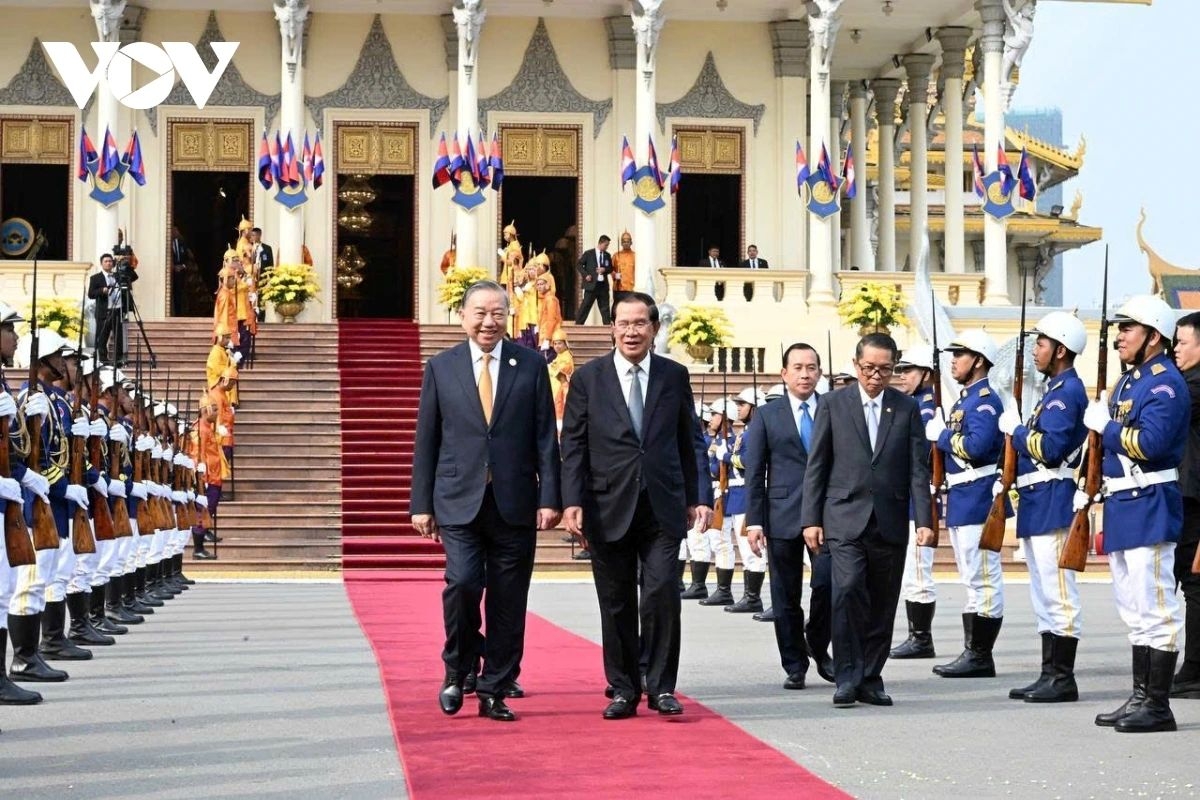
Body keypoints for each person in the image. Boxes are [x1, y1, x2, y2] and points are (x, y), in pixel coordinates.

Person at [411, 280, 561, 723]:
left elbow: (545, 437)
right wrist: (421, 503)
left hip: (515, 500)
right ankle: (458, 668)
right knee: (462, 584)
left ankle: (495, 686)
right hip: (458, 500)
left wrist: (550, 497)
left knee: (508, 599)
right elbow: (427, 440)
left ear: (508, 316)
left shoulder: (530, 365)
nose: (488, 322)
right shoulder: (442, 367)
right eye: (479, 313)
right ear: (462, 316)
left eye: (497, 313)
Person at [561, 291, 712, 719]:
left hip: (663, 504)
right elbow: (573, 444)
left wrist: (700, 495)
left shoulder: (673, 375)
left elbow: (690, 439)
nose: (631, 332)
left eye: (640, 323)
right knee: (616, 600)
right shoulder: (588, 378)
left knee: (662, 594)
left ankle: (661, 686)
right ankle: (624, 687)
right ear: (612, 328)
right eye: (624, 323)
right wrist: (571, 500)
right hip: (606, 504)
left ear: (654, 328)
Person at [801, 333, 932, 708]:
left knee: (882, 601)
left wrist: (925, 518)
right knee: (846, 591)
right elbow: (817, 465)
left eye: (885, 369)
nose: (876, 376)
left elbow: (917, 469)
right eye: (869, 368)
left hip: (889, 518)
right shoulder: (833, 404)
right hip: (843, 517)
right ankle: (846, 677)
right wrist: (811, 518)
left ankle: (870, 677)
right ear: (856, 365)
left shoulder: (905, 408)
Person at [1088, 295, 1187, 733]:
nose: (1120, 336)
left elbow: (1150, 443)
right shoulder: (1130, 382)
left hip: (1150, 503)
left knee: (1156, 607)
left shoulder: (1165, 383)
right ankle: (1141, 696)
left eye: (1128, 328)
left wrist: (1106, 427)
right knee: (1133, 609)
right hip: (1124, 504)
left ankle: (1158, 706)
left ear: (1154, 336)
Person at [996, 312, 1089, 703]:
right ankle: (1049, 673)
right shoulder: (1054, 391)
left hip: (1053, 498)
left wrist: (1017, 431)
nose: (1035, 350)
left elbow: (1049, 449)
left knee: (1059, 593)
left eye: (1042, 343)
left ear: (1061, 350)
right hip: (1038, 500)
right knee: (1043, 593)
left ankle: (1063, 677)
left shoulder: (1067, 392)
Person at [745, 343, 834, 690]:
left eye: (811, 368)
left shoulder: (833, 408)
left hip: (826, 515)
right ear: (784, 374)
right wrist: (754, 521)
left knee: (829, 583)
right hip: (781, 513)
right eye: (797, 368)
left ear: (820, 373)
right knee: (785, 595)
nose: (805, 374)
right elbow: (755, 471)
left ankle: (817, 640)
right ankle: (794, 664)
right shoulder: (768, 415)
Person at [926, 329, 1009, 679]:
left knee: (984, 578)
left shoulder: (985, 401)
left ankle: (980, 655)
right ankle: (973, 651)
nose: (953, 361)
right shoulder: (965, 400)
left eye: (959, 355)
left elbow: (975, 447)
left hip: (978, 496)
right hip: (962, 496)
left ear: (977, 360)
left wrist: (943, 436)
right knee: (972, 579)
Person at [889, 344, 940, 660]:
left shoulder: (927, 409)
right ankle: (916, 635)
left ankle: (921, 638)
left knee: (919, 571)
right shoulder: (913, 406)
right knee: (912, 570)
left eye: (909, 370)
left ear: (926, 374)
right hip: (906, 497)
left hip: (919, 499)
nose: (903, 376)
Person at [1172, 311, 1200, 699]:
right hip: (1187, 494)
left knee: (1194, 583)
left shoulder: (1193, 386)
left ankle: (1194, 668)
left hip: (1194, 497)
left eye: (1182, 342)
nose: (1175, 349)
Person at [726, 388, 770, 614]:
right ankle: (750, 596)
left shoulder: (755, 433)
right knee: (745, 549)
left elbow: (749, 461)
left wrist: (728, 457)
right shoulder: (747, 432)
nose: (739, 408)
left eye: (743, 405)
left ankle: (753, 597)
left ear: (754, 408)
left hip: (748, 493)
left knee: (753, 550)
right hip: (738, 494)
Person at [696, 397, 740, 607]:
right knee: (716, 541)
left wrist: (722, 457)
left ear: (724, 417)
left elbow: (715, 470)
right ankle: (721, 589)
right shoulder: (719, 441)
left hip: (727, 494)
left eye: (715, 414)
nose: (711, 418)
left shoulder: (730, 441)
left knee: (722, 542)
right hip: (718, 493)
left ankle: (725, 590)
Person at [89, 253, 138, 366]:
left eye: (110, 261)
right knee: (102, 336)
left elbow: (134, 277)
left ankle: (118, 360)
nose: (108, 263)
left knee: (118, 337)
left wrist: (125, 264)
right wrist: (102, 290)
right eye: (106, 261)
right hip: (104, 311)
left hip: (118, 310)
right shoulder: (95, 278)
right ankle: (103, 359)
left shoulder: (118, 275)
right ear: (101, 264)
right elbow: (91, 294)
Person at [575, 235, 613, 325]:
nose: (607, 247)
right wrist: (585, 275)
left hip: (603, 285)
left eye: (607, 245)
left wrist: (604, 269)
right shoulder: (589, 253)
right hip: (591, 284)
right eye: (606, 245)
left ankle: (607, 326)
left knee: (605, 307)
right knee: (586, 305)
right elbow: (579, 265)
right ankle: (578, 324)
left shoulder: (607, 255)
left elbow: (610, 268)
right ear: (600, 243)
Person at [249, 228, 274, 323]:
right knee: (252, 299)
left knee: (262, 300)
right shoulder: (249, 248)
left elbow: (270, 265)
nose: (252, 237)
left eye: (254, 235)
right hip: (251, 278)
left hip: (263, 279)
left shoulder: (267, 248)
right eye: (251, 235)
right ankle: (251, 320)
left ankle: (261, 320)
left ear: (259, 235)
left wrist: (270, 280)